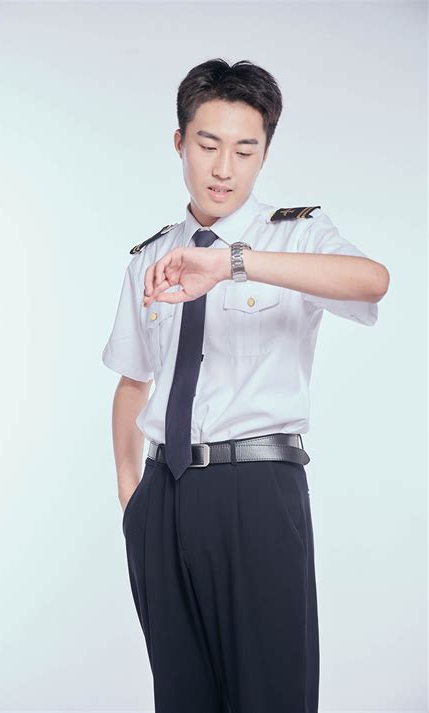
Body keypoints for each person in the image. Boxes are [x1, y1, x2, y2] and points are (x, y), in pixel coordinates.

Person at [101, 58, 389, 713]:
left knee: (271, 695)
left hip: (256, 489)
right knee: (182, 697)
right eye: (208, 145)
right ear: (180, 142)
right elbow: (132, 381)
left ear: (265, 153)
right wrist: (132, 497)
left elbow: (372, 282)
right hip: (163, 496)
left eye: (245, 149)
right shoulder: (150, 257)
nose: (224, 168)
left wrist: (233, 263)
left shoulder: (294, 235)